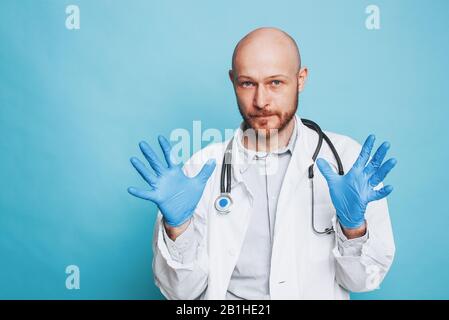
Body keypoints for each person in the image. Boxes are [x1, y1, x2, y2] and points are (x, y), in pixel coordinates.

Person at [128, 27, 397, 300]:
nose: (261, 101)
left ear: (300, 79)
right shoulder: (199, 170)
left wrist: (353, 229)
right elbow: (181, 293)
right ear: (233, 81)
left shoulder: (347, 161)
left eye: (275, 83)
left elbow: (364, 281)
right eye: (247, 83)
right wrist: (178, 229)